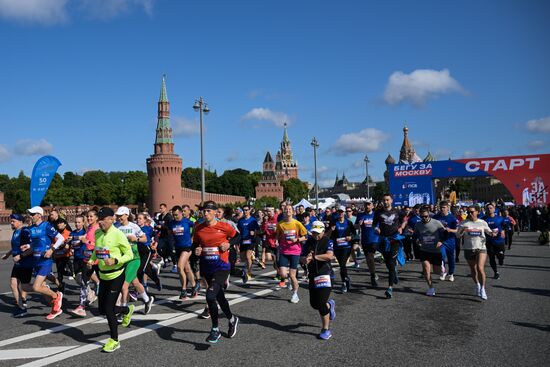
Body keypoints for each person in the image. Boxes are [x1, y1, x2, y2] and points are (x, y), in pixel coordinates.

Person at [88, 207, 135, 352]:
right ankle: (126, 310)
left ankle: (114, 340)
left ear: (111, 219)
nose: (100, 222)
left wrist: (115, 260)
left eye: (103, 219)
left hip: (116, 275)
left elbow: (130, 255)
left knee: (108, 308)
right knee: (102, 309)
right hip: (103, 275)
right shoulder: (97, 233)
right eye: (99, 219)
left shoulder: (118, 234)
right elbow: (97, 250)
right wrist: (91, 260)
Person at [193, 201, 239, 343]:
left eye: (208, 211)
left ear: (214, 212)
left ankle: (215, 329)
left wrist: (229, 244)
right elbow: (195, 245)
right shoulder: (199, 228)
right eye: (203, 211)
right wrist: (197, 250)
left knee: (210, 296)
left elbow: (238, 236)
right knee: (219, 297)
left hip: (222, 266)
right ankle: (232, 319)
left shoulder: (224, 226)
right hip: (207, 267)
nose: (205, 213)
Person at [21, 206, 65, 319]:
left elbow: (60, 238)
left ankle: (57, 295)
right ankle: (56, 309)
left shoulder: (46, 226)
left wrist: (52, 249)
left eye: (32, 214)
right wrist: (27, 248)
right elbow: (35, 245)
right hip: (36, 261)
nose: (30, 216)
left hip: (45, 261)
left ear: (39, 215)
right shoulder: (31, 229)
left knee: (36, 287)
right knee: (42, 292)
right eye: (30, 214)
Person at [115, 206, 155, 314]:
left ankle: (124, 311)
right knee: (135, 282)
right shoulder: (116, 227)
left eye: (121, 216)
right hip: (123, 259)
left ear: (127, 215)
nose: (119, 218)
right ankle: (147, 300)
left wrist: (136, 239)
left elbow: (145, 238)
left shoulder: (134, 226)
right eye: (117, 216)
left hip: (134, 258)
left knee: (124, 286)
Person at [301, 221, 335, 340]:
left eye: (318, 233)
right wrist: (305, 259)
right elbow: (302, 256)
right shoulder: (308, 242)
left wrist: (315, 257)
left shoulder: (328, 241)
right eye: (314, 233)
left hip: (325, 274)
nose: (316, 235)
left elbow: (329, 256)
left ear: (323, 232)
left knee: (320, 303)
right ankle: (329, 305)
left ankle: (325, 329)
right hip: (313, 275)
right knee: (314, 304)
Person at [457, 205, 496, 300]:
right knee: (473, 269)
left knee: (480, 268)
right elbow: (458, 235)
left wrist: (493, 233)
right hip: (468, 249)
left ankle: (483, 289)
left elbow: (489, 232)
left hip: (481, 248)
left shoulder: (482, 222)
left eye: (472, 212)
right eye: (469, 212)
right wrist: (462, 231)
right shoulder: (464, 223)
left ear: (477, 212)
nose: (470, 214)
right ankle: (477, 284)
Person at [373, 194, 405, 299]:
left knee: (391, 263)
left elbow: (404, 220)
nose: (385, 202)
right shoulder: (378, 212)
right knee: (387, 262)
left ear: (391, 200)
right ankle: (394, 271)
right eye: (384, 200)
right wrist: (376, 229)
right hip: (383, 240)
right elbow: (374, 224)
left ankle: (390, 288)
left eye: (387, 200)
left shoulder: (397, 212)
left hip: (394, 239)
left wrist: (401, 227)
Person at [1, 213, 33, 317]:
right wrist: (8, 254)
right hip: (18, 263)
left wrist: (21, 256)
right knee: (13, 283)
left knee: (25, 286)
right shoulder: (15, 232)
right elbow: (15, 246)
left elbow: (32, 247)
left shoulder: (25, 231)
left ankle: (45, 289)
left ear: (20, 222)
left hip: (26, 262)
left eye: (13, 221)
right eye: (11, 221)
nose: (11, 223)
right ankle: (21, 306)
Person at [276, 205, 308, 303]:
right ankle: (289, 281)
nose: (288, 211)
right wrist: (277, 241)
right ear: (283, 212)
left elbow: (305, 236)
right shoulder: (280, 224)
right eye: (286, 210)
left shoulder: (297, 223)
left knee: (292, 275)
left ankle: (295, 294)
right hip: (284, 251)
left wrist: (297, 239)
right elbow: (278, 235)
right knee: (282, 274)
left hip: (295, 251)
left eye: (290, 209)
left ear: (293, 212)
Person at [414, 206, 446, 296]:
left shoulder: (436, 223)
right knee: (426, 269)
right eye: (422, 217)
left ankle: (442, 268)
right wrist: (417, 241)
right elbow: (415, 235)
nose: (424, 218)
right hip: (424, 250)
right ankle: (431, 288)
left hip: (436, 251)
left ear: (429, 214)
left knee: (437, 271)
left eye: (425, 216)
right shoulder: (418, 224)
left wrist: (440, 241)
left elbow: (445, 233)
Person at [168, 205, 197, 299]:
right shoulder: (171, 223)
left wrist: (193, 237)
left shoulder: (187, 221)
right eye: (173, 215)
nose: (175, 216)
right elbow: (169, 232)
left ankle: (183, 289)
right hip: (178, 248)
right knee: (187, 269)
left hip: (187, 247)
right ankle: (194, 286)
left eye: (176, 214)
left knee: (180, 267)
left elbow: (196, 226)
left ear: (181, 213)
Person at [329, 206, 356, 293]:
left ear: (344, 213)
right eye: (339, 212)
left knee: (343, 265)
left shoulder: (348, 223)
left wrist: (350, 237)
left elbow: (354, 234)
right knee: (341, 265)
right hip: (337, 247)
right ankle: (346, 279)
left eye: (342, 212)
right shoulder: (334, 222)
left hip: (346, 247)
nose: (340, 213)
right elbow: (329, 235)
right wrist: (331, 230)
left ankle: (344, 282)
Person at [67, 215, 90, 317]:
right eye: (76, 222)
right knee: (78, 279)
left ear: (83, 222)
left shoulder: (85, 231)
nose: (77, 224)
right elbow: (70, 244)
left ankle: (82, 306)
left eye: (79, 222)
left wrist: (74, 238)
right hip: (76, 259)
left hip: (85, 259)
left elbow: (83, 238)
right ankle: (90, 292)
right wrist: (68, 245)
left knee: (84, 283)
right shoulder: (73, 233)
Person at [355, 201, 380, 287]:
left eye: (369, 204)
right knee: (369, 259)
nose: (367, 206)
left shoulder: (376, 215)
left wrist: (379, 229)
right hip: (365, 240)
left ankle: (373, 276)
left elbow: (380, 225)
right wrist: (359, 224)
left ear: (372, 206)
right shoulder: (360, 215)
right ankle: (373, 274)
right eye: (366, 204)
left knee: (370, 257)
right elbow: (356, 227)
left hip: (375, 239)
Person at [433, 201, 458, 282]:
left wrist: (449, 230)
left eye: (444, 207)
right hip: (440, 241)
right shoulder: (436, 217)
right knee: (441, 255)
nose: (442, 209)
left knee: (451, 258)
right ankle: (443, 272)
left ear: (448, 208)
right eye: (441, 207)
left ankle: (451, 273)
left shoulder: (452, 218)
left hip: (450, 240)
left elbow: (457, 230)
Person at [237, 205, 260, 284]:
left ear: (250, 210)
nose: (245, 211)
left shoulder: (253, 220)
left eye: (247, 210)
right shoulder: (241, 220)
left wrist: (254, 233)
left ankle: (249, 272)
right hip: (243, 241)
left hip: (250, 240)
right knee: (243, 258)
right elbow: (238, 230)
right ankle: (251, 257)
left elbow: (258, 230)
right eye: (244, 210)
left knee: (247, 256)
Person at [484, 203, 506, 279]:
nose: (489, 209)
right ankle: (496, 272)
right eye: (488, 208)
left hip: (499, 240)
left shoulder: (500, 218)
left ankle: (501, 259)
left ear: (494, 209)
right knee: (491, 257)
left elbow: (504, 226)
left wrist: (503, 230)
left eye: (491, 208)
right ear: (486, 209)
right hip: (489, 241)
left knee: (500, 255)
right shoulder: (484, 219)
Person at [155, 203, 176, 272]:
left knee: (170, 250)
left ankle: (175, 264)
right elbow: (159, 224)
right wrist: (157, 227)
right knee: (158, 248)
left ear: (165, 208)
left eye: (161, 208)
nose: (160, 209)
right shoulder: (160, 216)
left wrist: (162, 227)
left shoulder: (169, 216)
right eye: (160, 208)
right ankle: (165, 258)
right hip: (162, 236)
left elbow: (170, 226)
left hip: (169, 236)